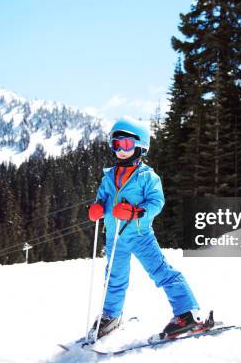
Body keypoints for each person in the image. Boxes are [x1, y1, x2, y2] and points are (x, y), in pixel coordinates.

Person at [87, 116, 204, 340]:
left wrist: (135, 212)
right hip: (114, 237)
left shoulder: (147, 176)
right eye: (116, 144)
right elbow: (102, 198)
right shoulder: (109, 176)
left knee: (161, 272)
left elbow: (156, 203)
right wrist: (97, 208)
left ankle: (188, 313)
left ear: (140, 146)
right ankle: (111, 315)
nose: (120, 150)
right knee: (113, 277)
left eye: (127, 144)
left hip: (140, 235)